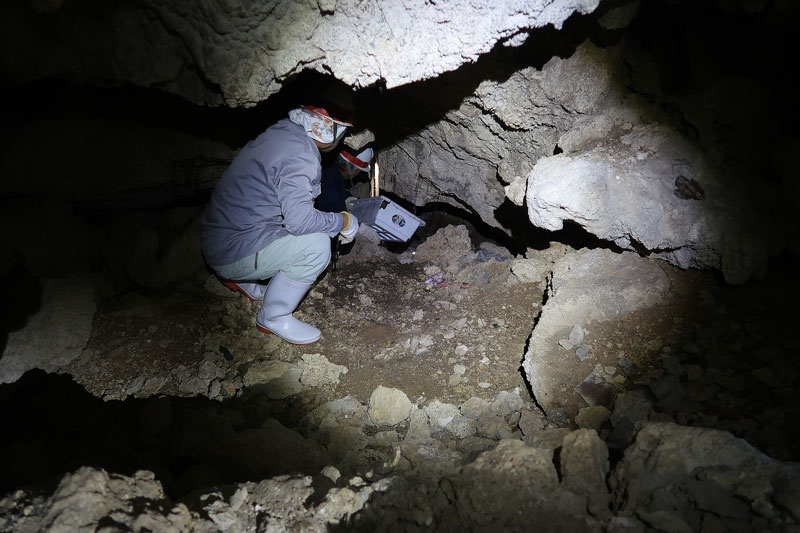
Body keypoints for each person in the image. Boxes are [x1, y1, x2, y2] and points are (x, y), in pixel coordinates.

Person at [200, 84, 360, 345]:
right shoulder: (303, 155)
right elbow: (300, 222)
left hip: (218, 235)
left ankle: (246, 283)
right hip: (229, 249)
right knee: (317, 244)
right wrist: (343, 220)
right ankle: (274, 316)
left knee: (299, 222)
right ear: (332, 128)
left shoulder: (281, 132)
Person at [315, 146, 374, 214]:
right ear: (355, 169)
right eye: (359, 171)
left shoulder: (329, 170)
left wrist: (348, 198)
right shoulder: (330, 181)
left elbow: (339, 191)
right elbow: (333, 215)